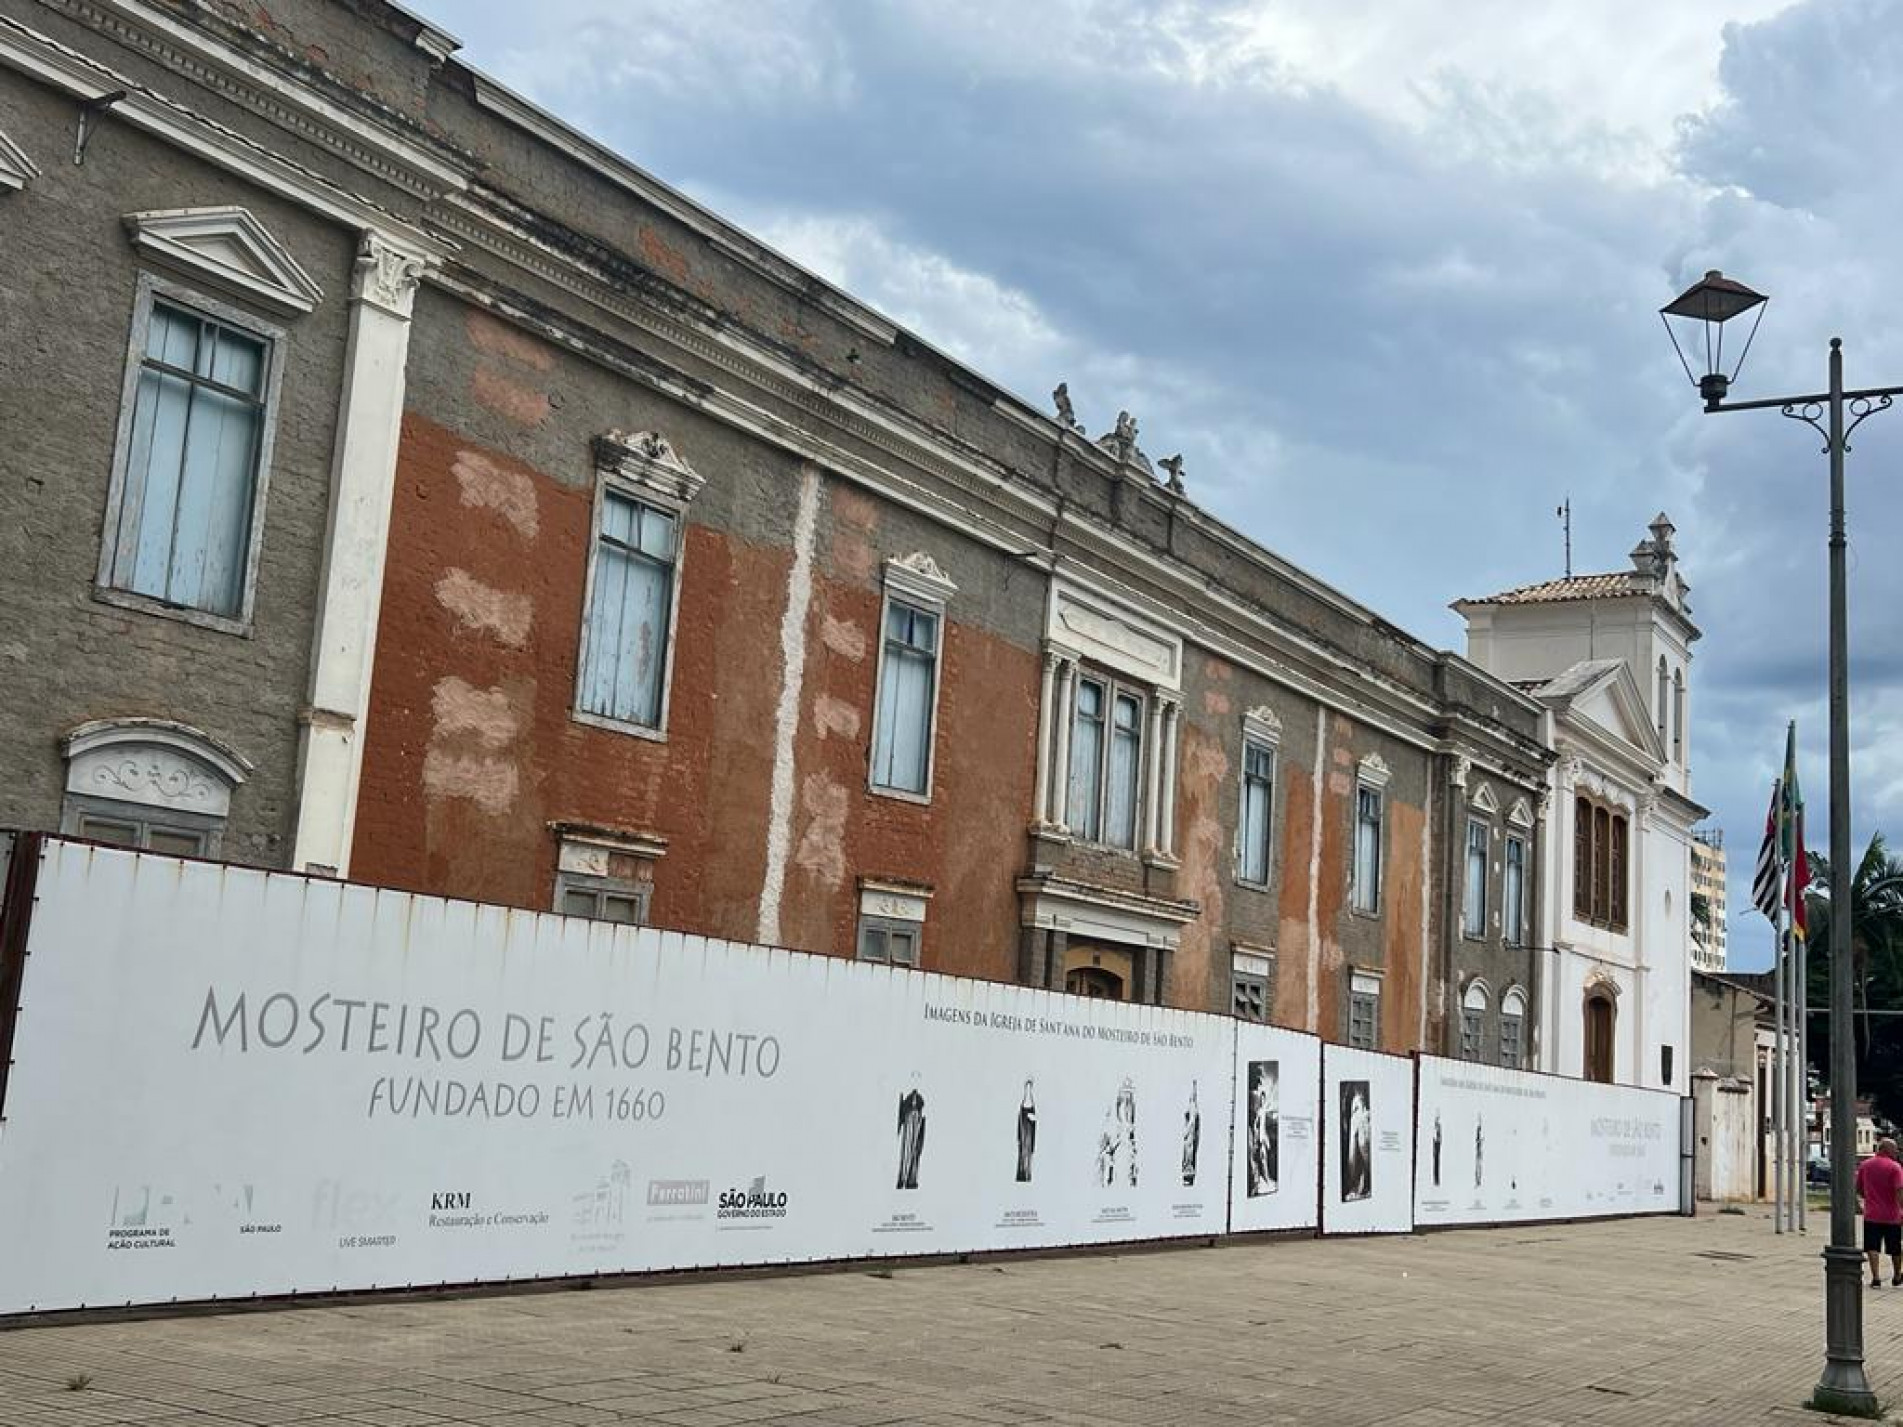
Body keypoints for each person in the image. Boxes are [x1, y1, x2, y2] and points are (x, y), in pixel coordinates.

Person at [1855, 1137, 1903, 1287]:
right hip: (1892, 1215)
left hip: (1872, 1214)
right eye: (1894, 1149)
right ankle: (1897, 1275)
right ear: (1886, 1149)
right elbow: (1899, 1191)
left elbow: (1859, 1188)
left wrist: (1868, 1197)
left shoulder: (1865, 1165)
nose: (1896, 1152)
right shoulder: (1895, 1167)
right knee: (1895, 1247)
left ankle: (1876, 1277)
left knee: (1872, 1246)